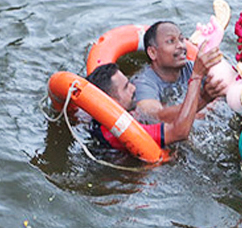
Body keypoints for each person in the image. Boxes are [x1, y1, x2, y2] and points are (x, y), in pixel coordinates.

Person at [86, 44, 221, 151]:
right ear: (111, 102)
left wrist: (204, 98)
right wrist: (196, 76)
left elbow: (161, 116)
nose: (134, 87)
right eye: (126, 87)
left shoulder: (105, 120)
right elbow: (179, 132)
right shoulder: (123, 132)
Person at [130, 21, 228, 123]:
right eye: (171, 41)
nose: (181, 45)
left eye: (181, 39)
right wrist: (202, 101)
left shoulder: (192, 67)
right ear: (153, 52)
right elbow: (156, 116)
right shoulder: (144, 83)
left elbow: (224, 87)